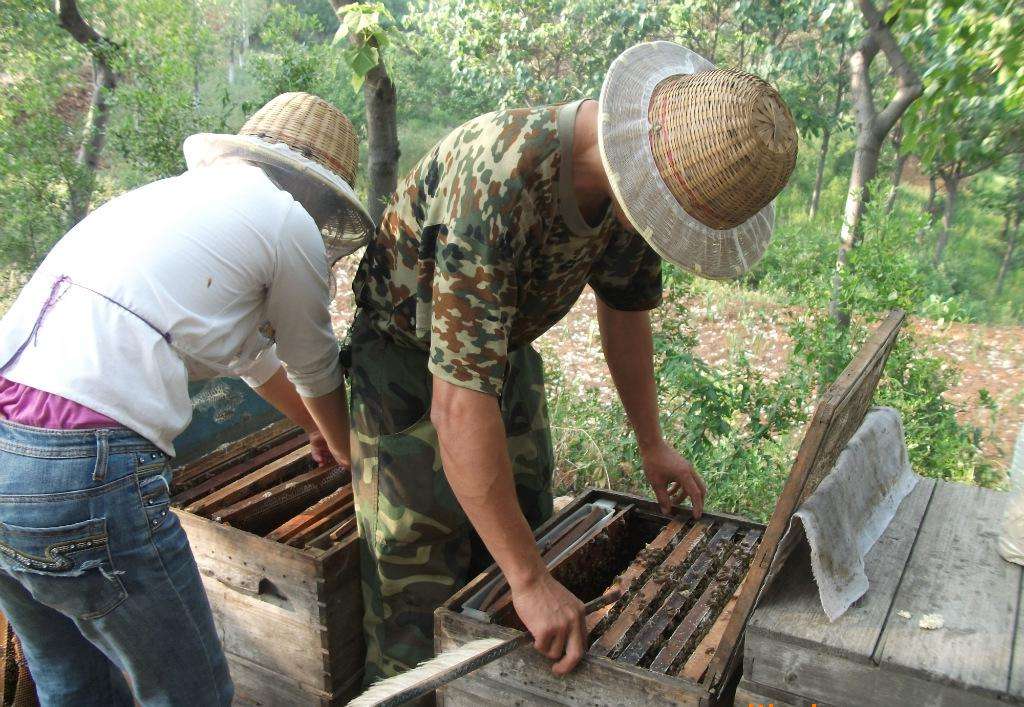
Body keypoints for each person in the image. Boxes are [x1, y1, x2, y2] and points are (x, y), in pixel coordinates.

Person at [347, 41, 798, 684]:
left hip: (499, 355)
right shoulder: (497, 182)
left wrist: (653, 444)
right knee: (419, 586)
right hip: (404, 365)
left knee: (529, 538)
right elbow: (455, 404)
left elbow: (624, 308)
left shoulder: (629, 192)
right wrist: (528, 580)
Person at [0, 92, 372, 705]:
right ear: (320, 192)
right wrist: (349, 452)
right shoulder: (285, 219)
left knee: (72, 682)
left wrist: (310, 428)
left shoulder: (161, 202)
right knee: (190, 693)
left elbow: (254, 360)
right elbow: (314, 365)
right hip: (81, 470)